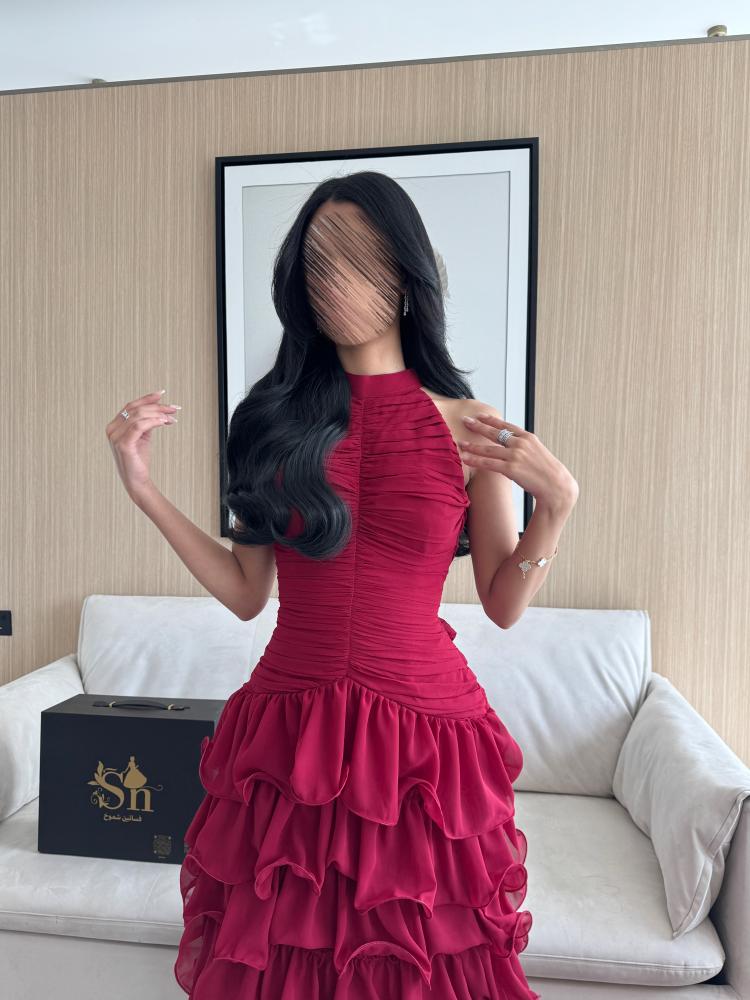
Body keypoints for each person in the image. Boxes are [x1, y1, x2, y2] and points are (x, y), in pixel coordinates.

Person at [107, 170, 578, 998]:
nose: (334, 284)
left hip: (424, 745)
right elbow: (246, 592)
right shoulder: (271, 421)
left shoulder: (469, 425)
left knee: (416, 962)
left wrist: (559, 507)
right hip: (289, 734)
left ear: (406, 274)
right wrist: (143, 489)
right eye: (318, 264)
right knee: (287, 963)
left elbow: (503, 604)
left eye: (358, 262)